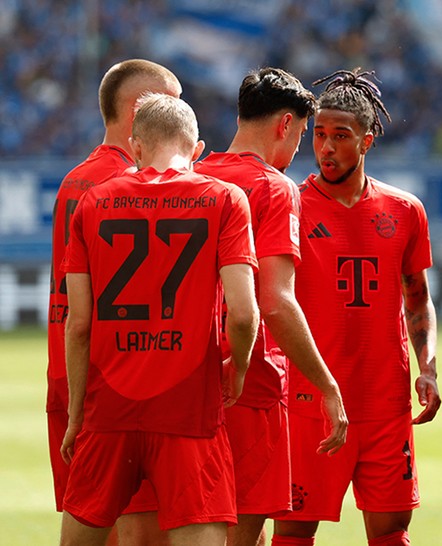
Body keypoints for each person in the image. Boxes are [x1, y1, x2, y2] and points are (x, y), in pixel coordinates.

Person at [59, 93, 259, 546]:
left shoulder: (93, 202)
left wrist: (76, 415)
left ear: (135, 146)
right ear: (197, 149)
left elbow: (79, 324)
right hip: (189, 411)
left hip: (110, 411)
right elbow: (244, 313)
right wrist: (239, 367)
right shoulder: (225, 199)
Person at [272, 68, 441, 546]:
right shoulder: (290, 205)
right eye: (319, 134)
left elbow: (417, 296)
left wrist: (428, 367)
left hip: (385, 401)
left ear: (367, 141)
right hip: (310, 401)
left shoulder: (404, 210)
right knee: (293, 531)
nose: (326, 147)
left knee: (391, 531)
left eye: (340, 137)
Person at [194, 67, 348, 546]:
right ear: (285, 124)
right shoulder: (274, 187)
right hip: (250, 382)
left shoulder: (193, 176)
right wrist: (327, 385)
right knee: (241, 527)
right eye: (301, 134)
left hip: (186, 376)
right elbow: (276, 302)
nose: (299, 147)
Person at [47, 58, 182, 545]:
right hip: (119, 388)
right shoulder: (130, 187)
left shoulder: (75, 180)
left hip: (68, 377)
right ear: (142, 109)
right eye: (172, 104)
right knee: (142, 534)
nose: (181, 117)